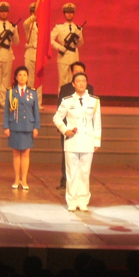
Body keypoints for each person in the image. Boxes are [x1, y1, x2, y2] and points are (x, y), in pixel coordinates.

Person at [53, 72, 101, 212]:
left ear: (87, 83)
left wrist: (96, 142)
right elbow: (57, 118)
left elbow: (97, 123)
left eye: (83, 81)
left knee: (85, 173)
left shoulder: (94, 101)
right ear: (73, 84)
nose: (81, 83)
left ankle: (83, 200)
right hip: (72, 141)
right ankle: (72, 201)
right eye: (78, 81)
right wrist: (65, 130)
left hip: (87, 140)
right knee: (72, 172)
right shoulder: (67, 101)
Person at [56, 62, 94, 189]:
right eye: (76, 71)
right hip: (69, 130)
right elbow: (59, 112)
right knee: (67, 156)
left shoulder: (90, 90)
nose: (79, 73)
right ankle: (64, 181)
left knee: (84, 162)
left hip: (85, 132)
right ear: (72, 73)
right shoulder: (65, 89)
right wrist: (63, 129)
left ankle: (81, 189)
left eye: (81, 71)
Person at [3, 66, 40, 190]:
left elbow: (36, 111)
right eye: (20, 75)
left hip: (28, 126)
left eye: (25, 75)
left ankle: (24, 179)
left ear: (28, 77)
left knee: (25, 154)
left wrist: (36, 127)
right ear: (16, 77)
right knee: (15, 154)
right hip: (14, 125)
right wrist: (6, 126)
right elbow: (6, 111)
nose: (22, 77)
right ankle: (16, 178)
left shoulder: (32, 92)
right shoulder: (10, 92)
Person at [50, 3, 85, 89]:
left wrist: (79, 34)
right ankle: (62, 97)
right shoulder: (59, 27)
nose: (69, 14)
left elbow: (80, 44)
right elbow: (50, 39)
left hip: (74, 56)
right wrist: (60, 47)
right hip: (63, 56)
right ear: (64, 14)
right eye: (67, 12)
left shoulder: (77, 28)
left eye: (71, 12)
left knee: (74, 80)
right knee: (63, 81)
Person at [23, 2, 43, 108]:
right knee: (30, 79)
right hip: (30, 52)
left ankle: (38, 102)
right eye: (33, 11)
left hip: (40, 53)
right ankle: (29, 101)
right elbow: (25, 24)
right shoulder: (29, 25)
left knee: (39, 79)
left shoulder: (43, 24)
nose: (35, 14)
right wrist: (32, 18)